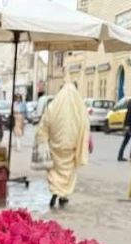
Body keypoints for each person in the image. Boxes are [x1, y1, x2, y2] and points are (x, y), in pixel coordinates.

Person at [35, 78, 90, 209]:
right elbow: (85, 127)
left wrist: (43, 142)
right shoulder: (79, 110)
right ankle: (63, 196)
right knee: (68, 173)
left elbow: (43, 126)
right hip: (71, 149)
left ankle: (55, 193)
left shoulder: (53, 107)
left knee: (55, 171)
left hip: (55, 148)